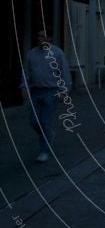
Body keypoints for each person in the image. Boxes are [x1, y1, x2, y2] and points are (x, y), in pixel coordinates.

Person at [21, 29, 72, 162]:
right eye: (38, 36)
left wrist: (64, 90)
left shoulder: (57, 53)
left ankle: (44, 151)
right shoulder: (31, 54)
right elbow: (26, 72)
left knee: (45, 121)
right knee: (34, 121)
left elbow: (64, 73)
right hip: (36, 91)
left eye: (43, 36)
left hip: (52, 91)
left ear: (49, 38)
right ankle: (48, 135)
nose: (40, 38)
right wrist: (24, 86)